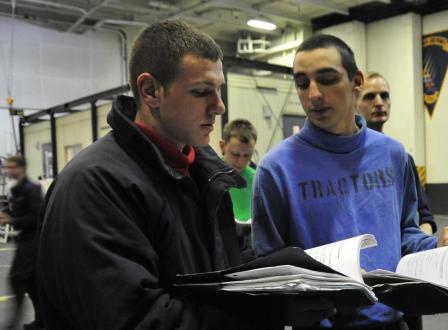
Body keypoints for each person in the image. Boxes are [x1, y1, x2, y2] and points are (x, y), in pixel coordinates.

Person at [36, 20, 333, 330]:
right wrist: (264, 312)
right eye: (201, 92)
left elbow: (210, 277)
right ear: (151, 91)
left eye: (219, 90)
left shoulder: (203, 174)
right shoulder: (95, 186)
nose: (219, 106)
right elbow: (137, 320)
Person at [252, 34, 448, 329]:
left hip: (393, 322)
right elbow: (269, 268)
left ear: (357, 81)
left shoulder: (393, 154)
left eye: (326, 79)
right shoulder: (276, 169)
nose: (313, 94)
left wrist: (435, 247)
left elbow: (404, 233)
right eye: (302, 83)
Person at [356, 72, 436, 235]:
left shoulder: (400, 157)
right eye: (369, 97)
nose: (379, 102)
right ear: (354, 104)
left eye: (384, 96)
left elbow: (426, 216)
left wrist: (424, 241)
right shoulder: (348, 159)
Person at [0, 155, 43, 330]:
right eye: (7, 167)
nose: (9, 171)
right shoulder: (16, 189)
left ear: (22, 168)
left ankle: (12, 324)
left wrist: (12, 220)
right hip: (23, 239)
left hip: (33, 241)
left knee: (16, 278)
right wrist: (5, 213)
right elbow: (14, 210)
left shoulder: (32, 189)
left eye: (12, 167)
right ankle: (41, 322)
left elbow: (35, 217)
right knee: (31, 283)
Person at [220, 119, 257, 252]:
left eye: (247, 155)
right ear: (222, 146)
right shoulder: (209, 174)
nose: (240, 162)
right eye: (235, 154)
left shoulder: (258, 178)